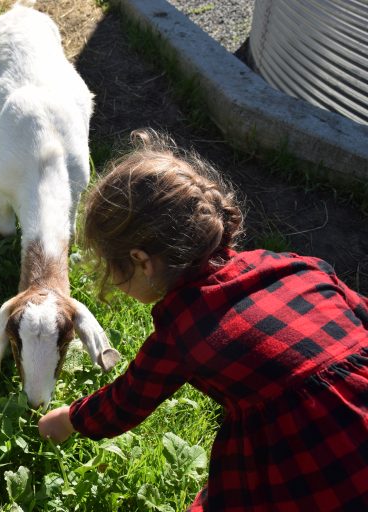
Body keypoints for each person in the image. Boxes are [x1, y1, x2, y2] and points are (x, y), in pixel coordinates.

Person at [38, 129, 368, 510]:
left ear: (142, 261)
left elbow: (126, 401)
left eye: (114, 271)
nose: (115, 282)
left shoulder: (184, 328)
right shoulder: (294, 265)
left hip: (319, 449)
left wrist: (68, 419)